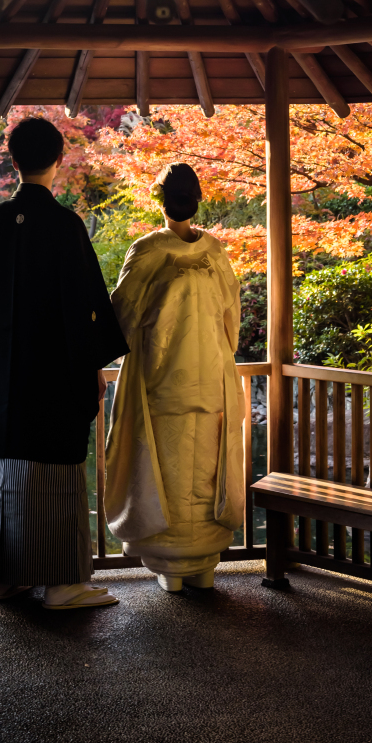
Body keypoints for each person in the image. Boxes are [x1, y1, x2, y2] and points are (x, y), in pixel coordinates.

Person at [0, 116, 128, 609]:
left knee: (5, 469)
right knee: (56, 471)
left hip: (8, 381)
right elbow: (87, 305)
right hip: (56, 378)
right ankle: (61, 584)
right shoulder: (65, 225)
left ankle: (2, 577)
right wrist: (94, 367)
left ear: (13, 161)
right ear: (58, 161)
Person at [105, 163, 244, 592]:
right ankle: (201, 565)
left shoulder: (147, 250)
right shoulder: (216, 252)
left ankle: (172, 567)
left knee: (164, 469)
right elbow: (231, 321)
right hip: (213, 378)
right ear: (196, 200)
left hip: (161, 380)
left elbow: (120, 317)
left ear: (159, 200)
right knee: (205, 471)